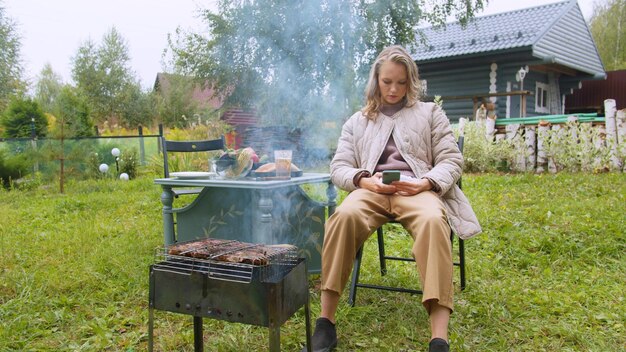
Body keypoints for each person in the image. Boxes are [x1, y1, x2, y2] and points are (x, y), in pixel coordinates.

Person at [303, 45, 482, 352]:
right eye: (387, 82)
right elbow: (339, 167)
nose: (394, 89)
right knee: (342, 217)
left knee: (431, 221)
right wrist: (362, 179)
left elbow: (452, 160)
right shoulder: (357, 121)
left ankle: (439, 338)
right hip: (371, 191)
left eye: (401, 82)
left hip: (417, 190)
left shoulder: (429, 113)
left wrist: (426, 182)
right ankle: (325, 324)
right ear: (376, 80)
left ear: (410, 81)